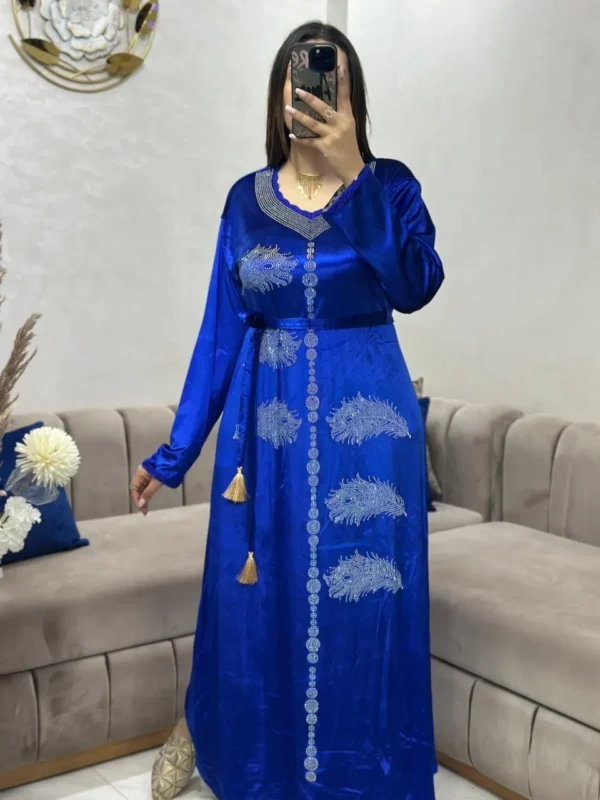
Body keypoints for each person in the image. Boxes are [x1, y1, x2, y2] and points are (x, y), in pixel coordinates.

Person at [130, 19, 444, 800]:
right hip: (264, 433)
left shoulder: (392, 185)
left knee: (362, 609)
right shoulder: (246, 200)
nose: (311, 98)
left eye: (330, 84)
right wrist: (172, 455)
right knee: (255, 599)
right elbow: (219, 333)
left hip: (369, 433)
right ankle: (219, 740)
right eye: (298, 84)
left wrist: (355, 170)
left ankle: (363, 773)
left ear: (353, 98)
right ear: (278, 98)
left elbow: (415, 285)